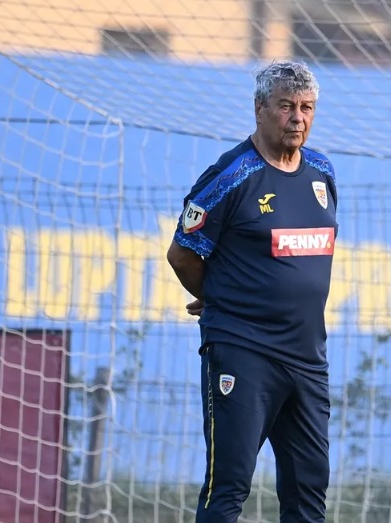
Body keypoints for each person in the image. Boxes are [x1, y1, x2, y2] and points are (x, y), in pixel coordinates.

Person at [167, 60, 338, 523]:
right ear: (260, 108)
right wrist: (221, 296)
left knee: (309, 493)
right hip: (243, 351)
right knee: (229, 487)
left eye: (306, 107)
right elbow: (182, 254)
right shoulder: (231, 175)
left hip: (307, 359)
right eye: (286, 106)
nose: (297, 118)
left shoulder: (322, 171)